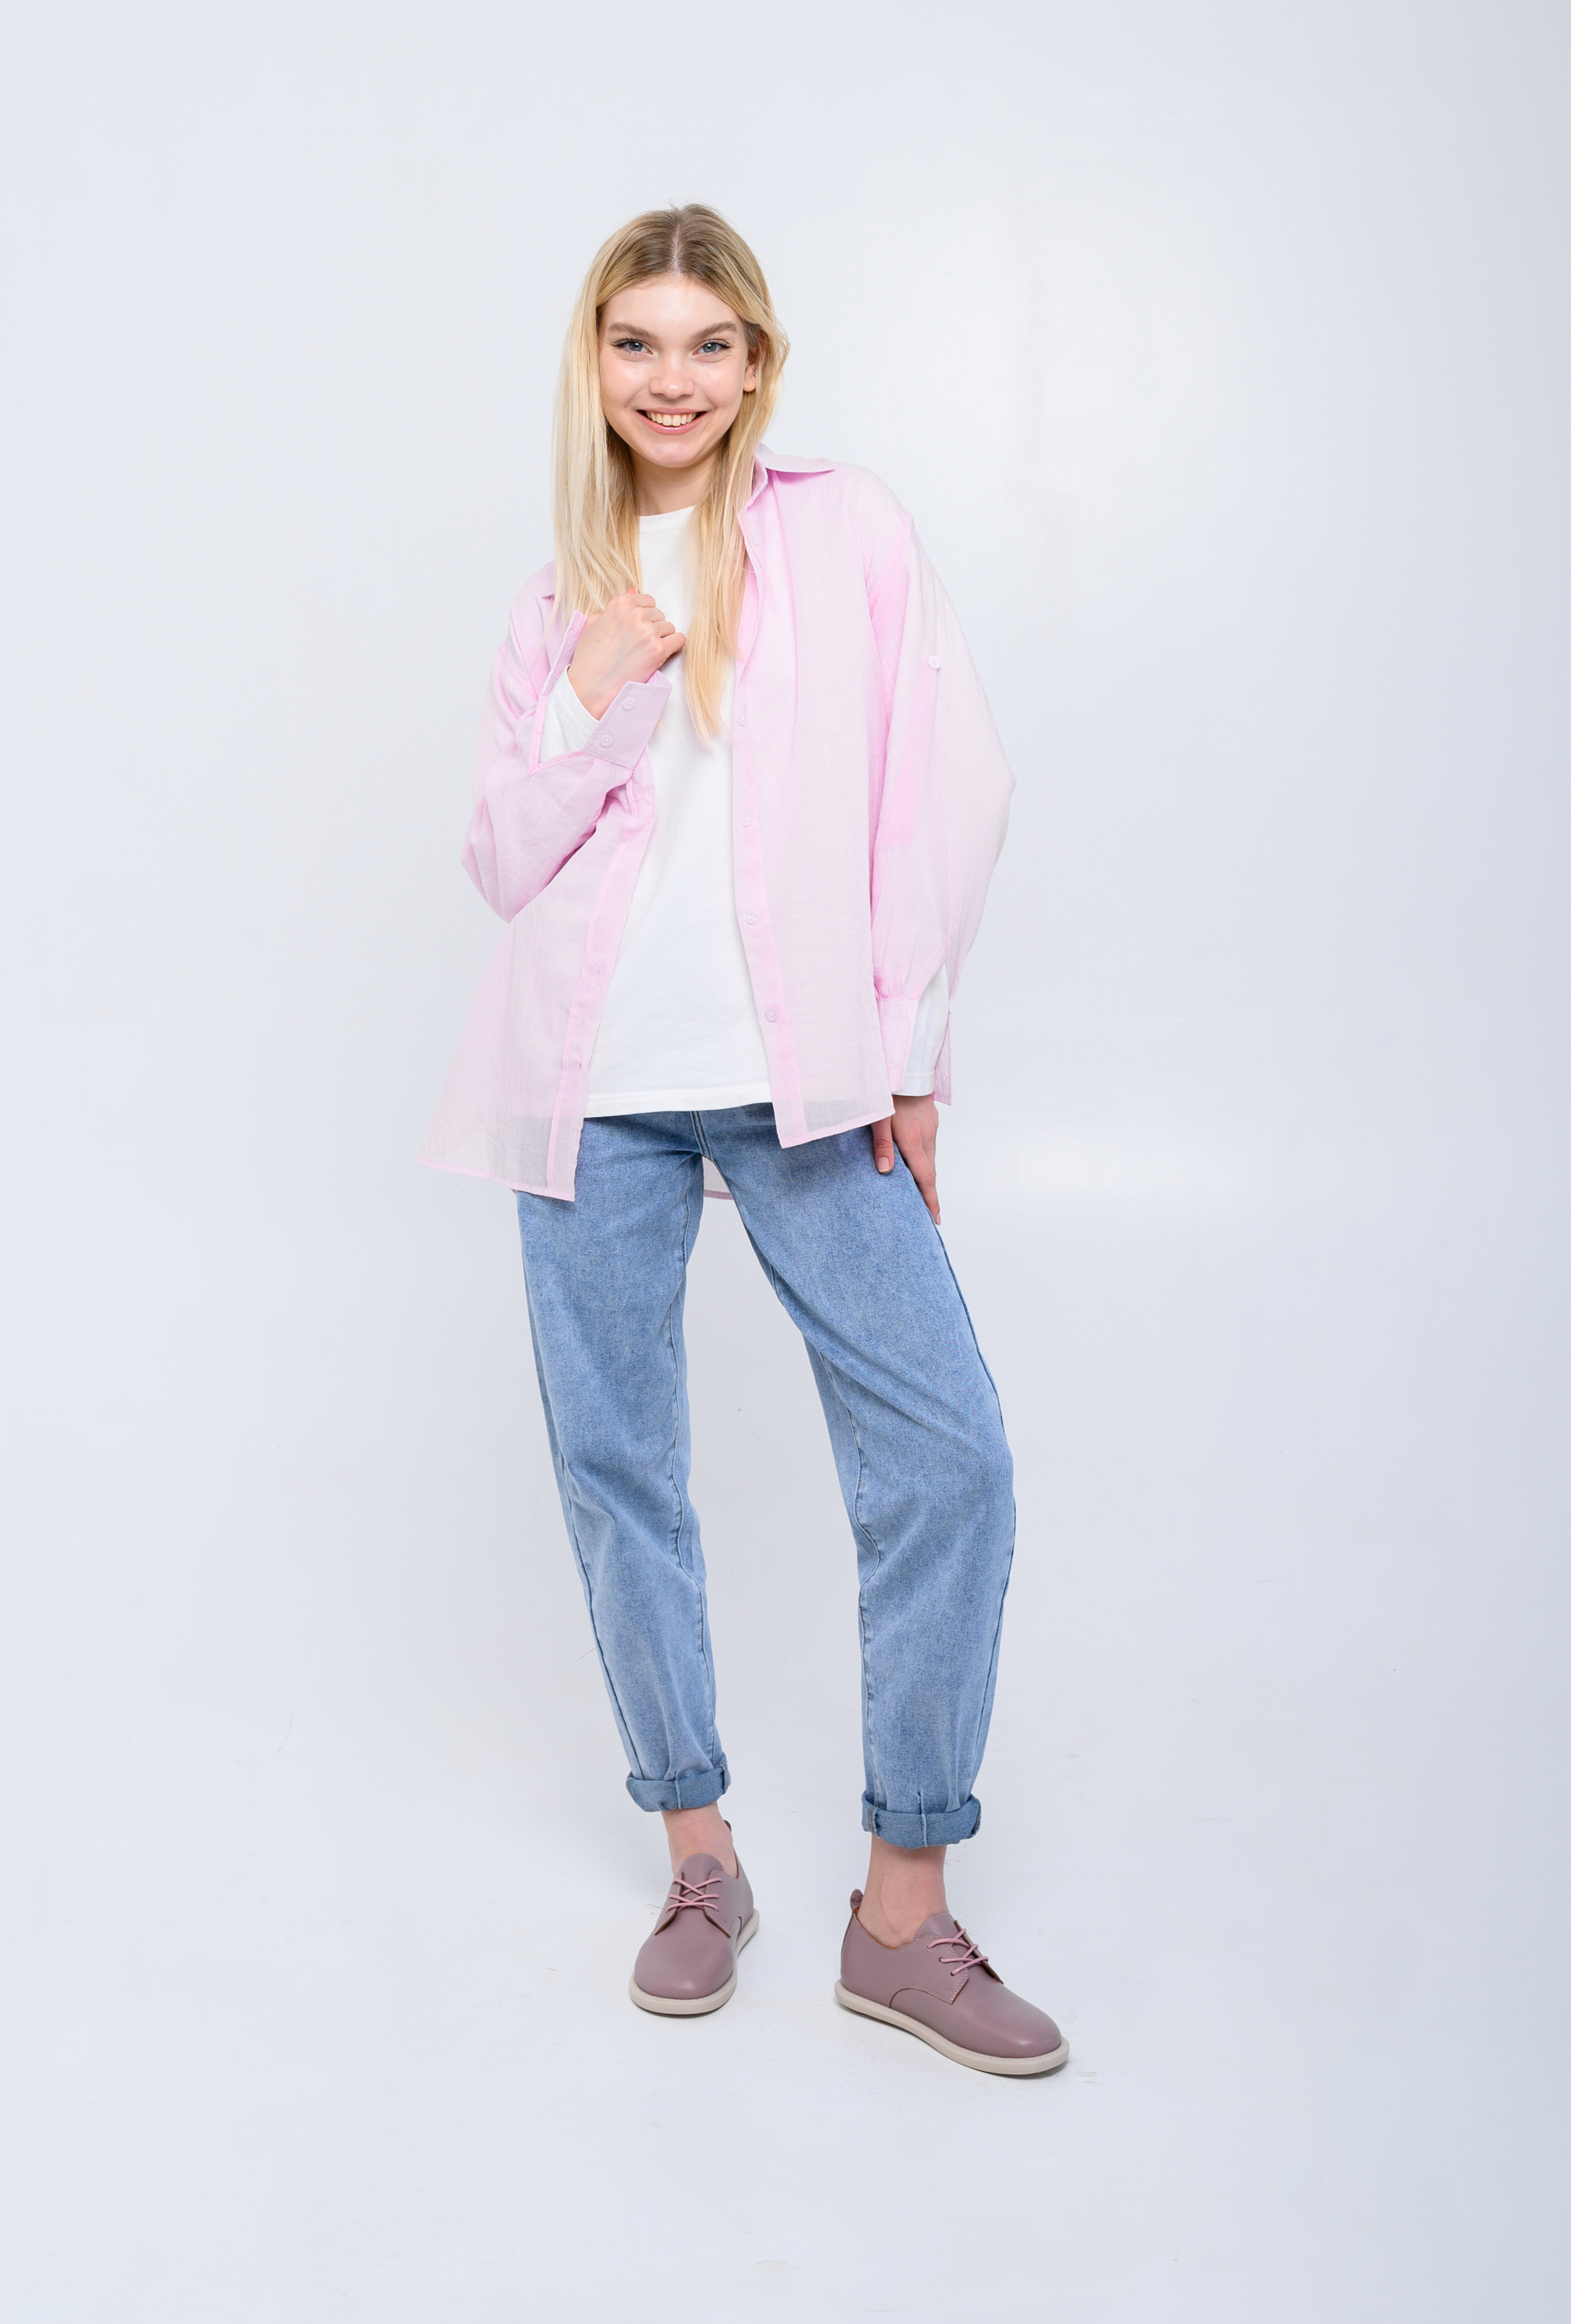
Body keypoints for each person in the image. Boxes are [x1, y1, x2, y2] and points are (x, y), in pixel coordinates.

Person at [422, 205, 1066, 2076]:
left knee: (949, 1458)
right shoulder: (557, 596)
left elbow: (945, 791)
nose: (673, 379)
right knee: (620, 1467)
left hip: (814, 1084)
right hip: (592, 1094)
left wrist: (912, 1054)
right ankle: (697, 1857)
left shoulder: (848, 533)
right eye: (638, 342)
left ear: (758, 362)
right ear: (594, 362)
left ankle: (904, 1914)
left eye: (709, 344)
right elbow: (499, 860)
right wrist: (596, 688)